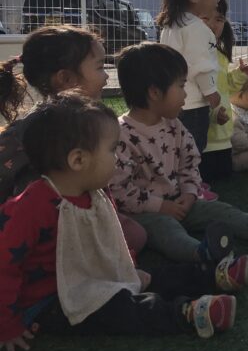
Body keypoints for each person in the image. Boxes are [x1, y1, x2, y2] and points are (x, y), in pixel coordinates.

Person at [0, 93, 248, 351]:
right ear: (78, 160)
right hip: (52, 299)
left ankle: (213, 276)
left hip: (95, 276)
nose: (119, 158)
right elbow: (4, 265)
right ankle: (188, 313)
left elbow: (112, 236)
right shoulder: (33, 206)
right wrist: (6, 325)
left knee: (153, 276)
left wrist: (128, 268)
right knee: (119, 309)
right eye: (112, 150)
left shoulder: (96, 191)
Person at [110, 42, 248, 260]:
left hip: (181, 203)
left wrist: (189, 193)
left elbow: (189, 162)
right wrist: (160, 206)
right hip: (145, 213)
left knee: (222, 211)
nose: (185, 94)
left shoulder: (173, 125)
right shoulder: (121, 134)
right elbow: (119, 190)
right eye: (181, 86)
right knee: (166, 228)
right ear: (155, 92)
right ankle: (205, 258)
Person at [0, 26, 147, 254]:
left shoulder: (57, 120)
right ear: (66, 78)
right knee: (134, 235)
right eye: (100, 67)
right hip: (50, 228)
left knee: (135, 233)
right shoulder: (62, 132)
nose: (106, 76)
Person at [156, 0, 221, 198]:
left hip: (172, 100)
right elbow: (201, 66)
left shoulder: (171, 24)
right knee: (193, 148)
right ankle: (192, 188)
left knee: (174, 148)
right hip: (193, 102)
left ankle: (175, 185)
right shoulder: (197, 29)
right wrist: (212, 93)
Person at [200, 0, 248, 184]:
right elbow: (196, 93)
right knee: (209, 178)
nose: (212, 25)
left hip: (224, 135)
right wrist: (213, 114)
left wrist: (241, 74)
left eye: (219, 19)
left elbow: (226, 87)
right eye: (205, 18)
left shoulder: (220, 55)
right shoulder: (193, 55)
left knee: (225, 175)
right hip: (204, 137)